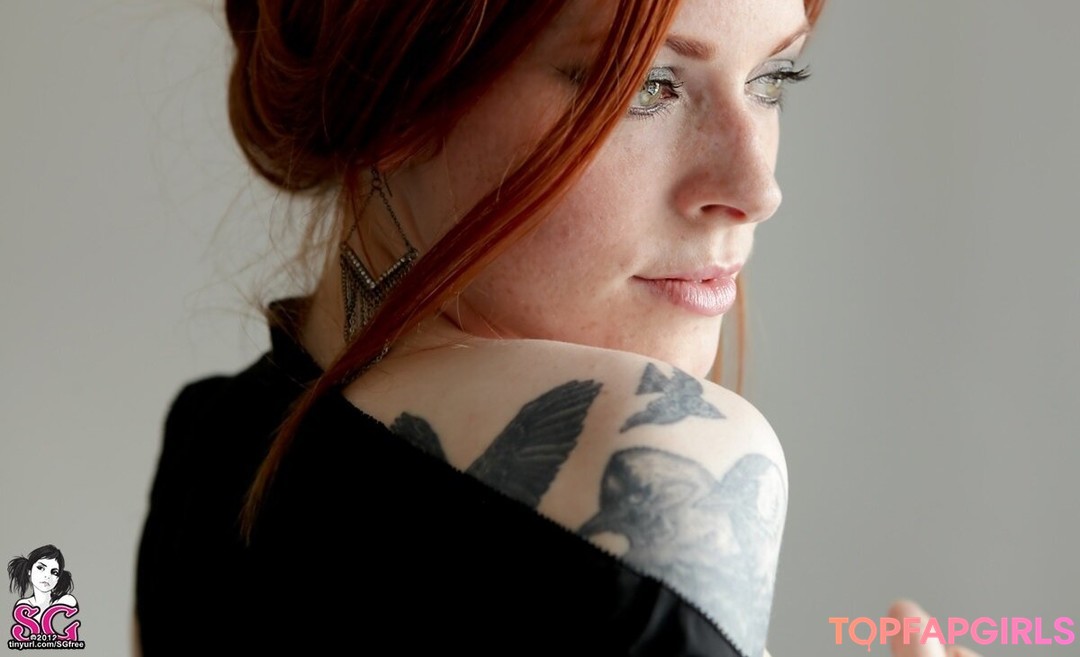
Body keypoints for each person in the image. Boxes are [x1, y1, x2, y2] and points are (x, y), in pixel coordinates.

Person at [135, 0, 983, 655]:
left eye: (773, 79)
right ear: (392, 100)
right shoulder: (654, 451)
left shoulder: (204, 448)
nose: (756, 188)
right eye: (649, 84)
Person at [7, 545, 78, 622]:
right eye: (40, 568)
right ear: (29, 570)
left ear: (58, 578)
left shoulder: (67, 601)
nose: (47, 576)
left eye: (54, 572)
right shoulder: (23, 605)